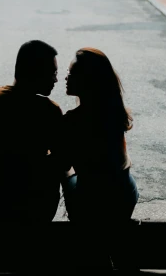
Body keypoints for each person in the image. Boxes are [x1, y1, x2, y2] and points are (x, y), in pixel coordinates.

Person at [0, 40, 69, 222]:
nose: (55, 80)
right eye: (52, 73)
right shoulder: (49, 111)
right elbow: (63, 162)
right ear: (34, 72)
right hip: (38, 212)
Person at [61, 47, 138, 223]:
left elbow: (63, 162)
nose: (66, 78)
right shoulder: (114, 112)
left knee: (62, 171)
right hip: (126, 195)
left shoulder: (73, 120)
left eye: (71, 73)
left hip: (94, 203)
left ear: (86, 81)